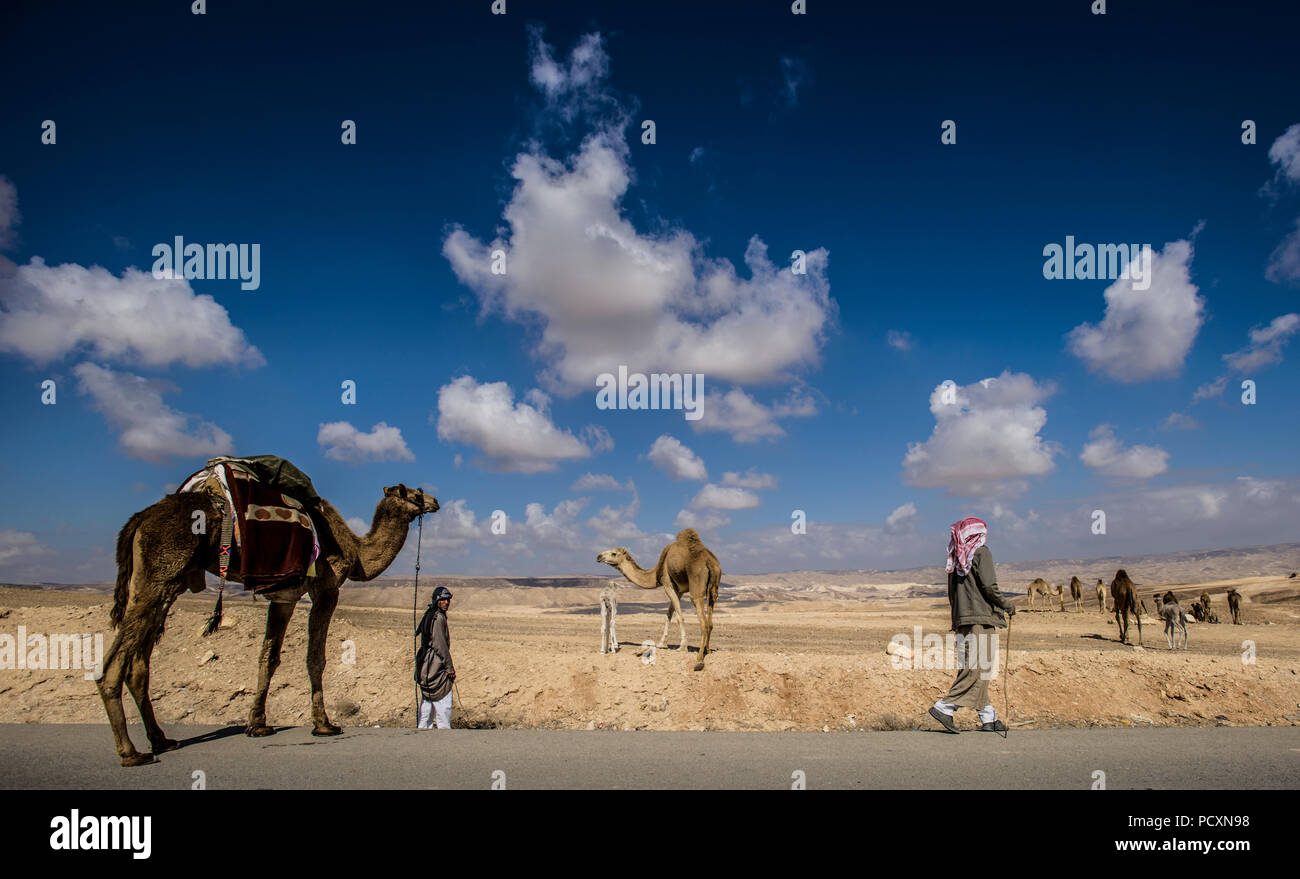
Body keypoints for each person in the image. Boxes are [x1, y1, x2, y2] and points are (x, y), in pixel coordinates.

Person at [928, 517, 1014, 734]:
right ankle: (945, 706)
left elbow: (952, 594)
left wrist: (957, 618)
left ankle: (988, 716)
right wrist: (1006, 605)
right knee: (976, 669)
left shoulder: (955, 557)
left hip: (962, 620)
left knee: (977, 668)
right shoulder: (981, 553)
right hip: (980, 619)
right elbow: (989, 586)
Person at [415, 586, 455, 729]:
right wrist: (449, 667)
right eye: (443, 599)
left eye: (448, 600)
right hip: (434, 665)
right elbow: (440, 645)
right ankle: (443, 730)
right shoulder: (437, 618)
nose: (446, 603)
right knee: (443, 700)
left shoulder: (429, 615)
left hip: (425, 664)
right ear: (437, 600)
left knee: (427, 702)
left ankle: (423, 729)